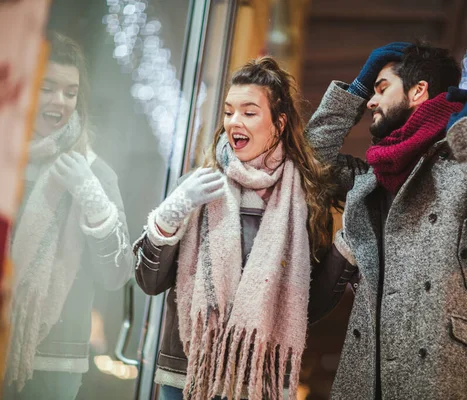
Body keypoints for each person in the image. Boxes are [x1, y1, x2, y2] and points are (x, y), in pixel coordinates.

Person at [305, 41, 467, 399]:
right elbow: (308, 166)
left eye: (381, 88)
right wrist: (355, 89)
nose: (371, 101)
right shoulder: (372, 176)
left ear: (419, 91)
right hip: (367, 375)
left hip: (444, 373)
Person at [134, 56, 339, 400]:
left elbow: (309, 306)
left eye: (249, 111)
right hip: (188, 376)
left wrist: (345, 254)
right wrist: (172, 213)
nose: (234, 121)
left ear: (279, 122)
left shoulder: (304, 202)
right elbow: (148, 281)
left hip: (257, 381)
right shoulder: (197, 187)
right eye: (229, 111)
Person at [3, 31, 134, 399]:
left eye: (71, 92)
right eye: (48, 87)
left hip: (55, 363)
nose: (59, 101)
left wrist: (91, 197)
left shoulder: (94, 171)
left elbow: (118, 273)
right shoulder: (6, 158)